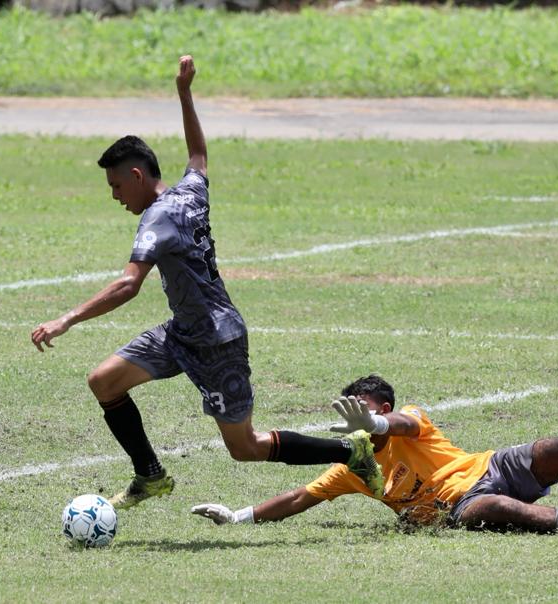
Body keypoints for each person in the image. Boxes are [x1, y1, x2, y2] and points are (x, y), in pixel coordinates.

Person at [30, 55, 383, 508]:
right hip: (182, 330)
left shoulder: (156, 221)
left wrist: (66, 320)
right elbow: (198, 154)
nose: (115, 196)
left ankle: (350, 452)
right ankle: (150, 475)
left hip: (217, 341)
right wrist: (184, 92)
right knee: (105, 381)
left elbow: (127, 285)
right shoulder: (189, 191)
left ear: (137, 176)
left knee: (246, 448)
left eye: (116, 186)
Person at [190, 375, 558, 538]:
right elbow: (299, 497)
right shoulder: (355, 468)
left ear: (381, 408)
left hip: (493, 466)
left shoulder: (407, 419)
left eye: (361, 409)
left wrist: (379, 425)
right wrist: (237, 515)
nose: (352, 417)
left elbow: (404, 423)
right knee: (494, 510)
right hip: (460, 508)